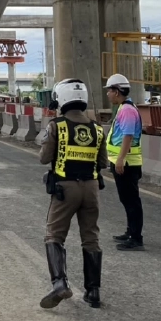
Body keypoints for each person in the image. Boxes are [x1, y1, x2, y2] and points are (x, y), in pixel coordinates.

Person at [38, 78, 107, 309]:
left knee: (54, 235)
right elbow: (103, 162)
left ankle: (60, 284)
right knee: (91, 237)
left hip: (65, 189)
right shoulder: (97, 129)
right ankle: (93, 291)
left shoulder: (56, 126)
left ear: (62, 99)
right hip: (91, 188)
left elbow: (44, 158)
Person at [105, 74, 145, 251]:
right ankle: (131, 232)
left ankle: (136, 238)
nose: (107, 94)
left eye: (109, 91)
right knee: (127, 200)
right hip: (124, 162)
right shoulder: (123, 108)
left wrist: (120, 159)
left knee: (131, 201)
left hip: (127, 163)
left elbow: (128, 135)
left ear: (117, 91)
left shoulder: (127, 110)